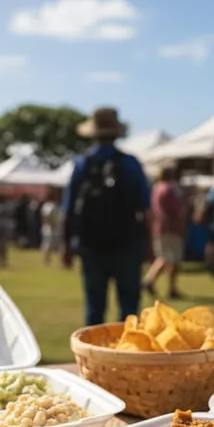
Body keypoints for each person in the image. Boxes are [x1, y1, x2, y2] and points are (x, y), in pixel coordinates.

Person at [63, 107, 152, 326]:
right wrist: (149, 244)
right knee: (129, 311)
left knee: (94, 310)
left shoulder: (82, 164)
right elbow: (146, 210)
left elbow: (69, 210)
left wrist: (67, 246)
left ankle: (92, 348)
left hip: (90, 246)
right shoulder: (131, 163)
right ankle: (130, 347)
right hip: (128, 244)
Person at [142, 166, 186, 298]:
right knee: (171, 258)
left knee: (164, 257)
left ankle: (158, 283)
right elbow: (175, 209)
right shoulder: (169, 189)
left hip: (159, 226)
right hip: (171, 228)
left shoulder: (156, 188)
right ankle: (153, 282)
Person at [40, 189, 63, 266]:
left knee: (58, 246)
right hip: (50, 229)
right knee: (48, 245)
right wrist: (50, 225)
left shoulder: (55, 205)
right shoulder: (49, 206)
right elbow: (46, 217)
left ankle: (60, 261)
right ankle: (47, 261)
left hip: (54, 229)